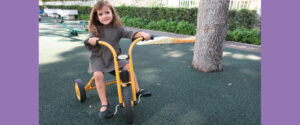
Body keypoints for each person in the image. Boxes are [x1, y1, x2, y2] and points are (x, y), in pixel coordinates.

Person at [83, 0, 152, 120]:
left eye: (107, 12)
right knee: (98, 75)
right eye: (100, 14)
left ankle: (137, 90)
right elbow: (90, 40)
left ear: (113, 13)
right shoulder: (95, 29)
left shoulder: (117, 28)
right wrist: (91, 40)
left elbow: (129, 33)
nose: (104, 16)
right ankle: (104, 103)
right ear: (96, 16)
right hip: (99, 58)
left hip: (114, 57)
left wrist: (141, 34)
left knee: (128, 67)